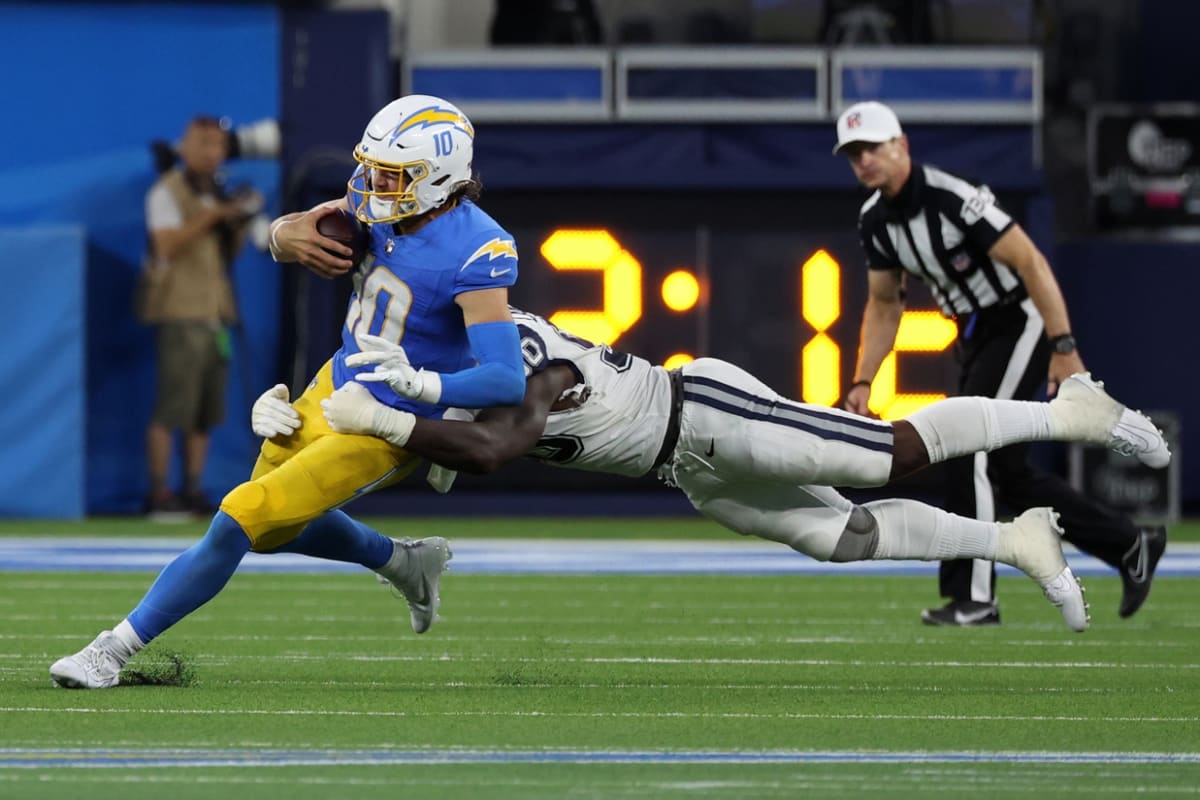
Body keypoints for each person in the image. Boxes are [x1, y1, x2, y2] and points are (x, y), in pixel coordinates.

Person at [253, 307, 1171, 634]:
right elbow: (420, 449)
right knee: (837, 536)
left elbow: (486, 450)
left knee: (886, 451)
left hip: (704, 413)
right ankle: (1012, 539)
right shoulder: (447, 368)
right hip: (684, 471)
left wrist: (390, 418)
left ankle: (1072, 412)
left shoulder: (528, 356)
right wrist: (287, 422)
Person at [49, 95, 527, 689]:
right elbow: (292, 234)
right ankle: (403, 561)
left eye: (393, 175)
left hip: (386, 418)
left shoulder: (477, 248)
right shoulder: (368, 202)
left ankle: (111, 651)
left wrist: (424, 383)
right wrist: (282, 234)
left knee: (241, 516)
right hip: (333, 380)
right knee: (272, 527)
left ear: (441, 179)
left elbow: (507, 378)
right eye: (372, 168)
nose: (374, 184)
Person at [832, 100, 1168, 626]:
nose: (864, 161)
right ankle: (1130, 543)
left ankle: (976, 598)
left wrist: (1063, 346)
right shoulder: (876, 220)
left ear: (901, 145)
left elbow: (1030, 261)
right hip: (976, 335)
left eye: (872, 147)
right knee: (1006, 472)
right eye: (854, 154)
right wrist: (862, 380)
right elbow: (884, 302)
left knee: (973, 450)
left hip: (1020, 320)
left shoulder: (953, 198)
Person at [138, 115, 263, 518]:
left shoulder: (218, 192)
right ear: (185, 147)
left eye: (218, 145)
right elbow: (167, 244)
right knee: (172, 405)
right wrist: (213, 215)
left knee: (206, 410)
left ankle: (192, 488)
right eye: (204, 143)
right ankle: (158, 493)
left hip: (216, 313)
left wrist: (237, 223)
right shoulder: (167, 192)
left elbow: (227, 256)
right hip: (180, 310)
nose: (212, 153)